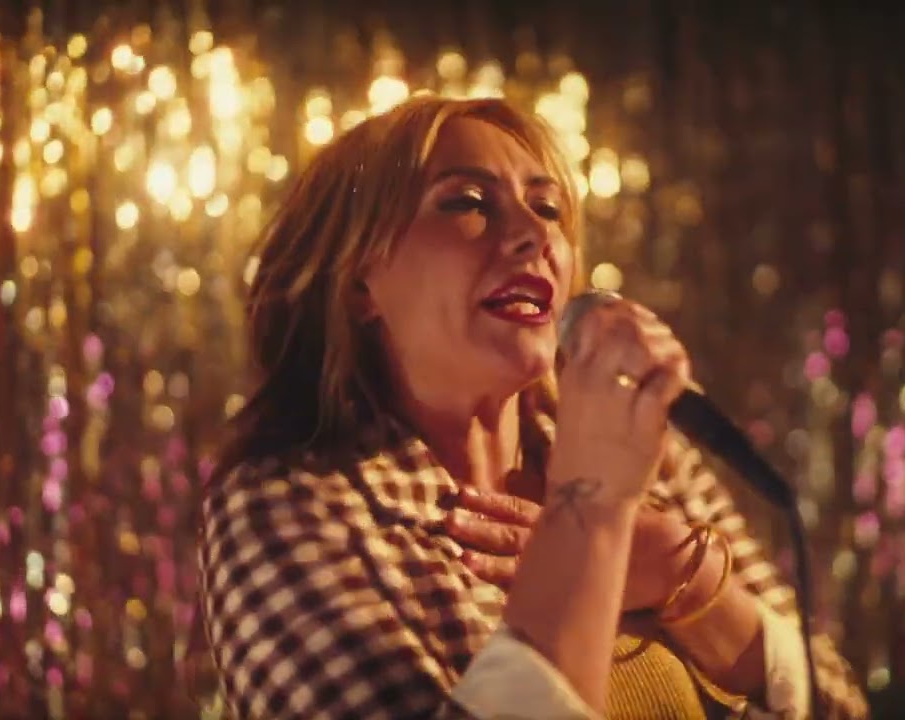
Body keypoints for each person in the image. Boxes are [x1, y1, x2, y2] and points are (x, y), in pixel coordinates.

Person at [196, 94, 869, 720]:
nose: (531, 233)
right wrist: (591, 515)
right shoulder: (286, 503)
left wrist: (687, 581)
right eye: (467, 202)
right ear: (357, 283)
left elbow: (840, 704)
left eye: (547, 209)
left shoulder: (649, 455)